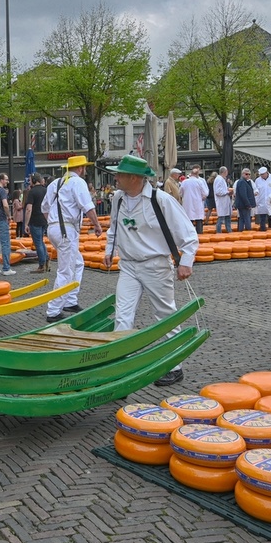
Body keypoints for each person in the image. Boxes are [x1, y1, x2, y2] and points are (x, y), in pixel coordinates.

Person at [101, 155, 198, 387]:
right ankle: (119, 368)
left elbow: (188, 234)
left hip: (155, 265)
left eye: (120, 174)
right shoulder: (118, 199)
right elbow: (114, 226)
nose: (115, 178)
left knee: (165, 314)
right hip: (128, 266)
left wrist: (186, 261)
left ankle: (175, 366)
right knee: (123, 315)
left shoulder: (160, 199)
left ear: (134, 178)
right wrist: (109, 248)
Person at [41, 155, 104, 323]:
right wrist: (97, 225)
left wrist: (53, 223)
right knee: (66, 271)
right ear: (81, 168)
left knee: (77, 263)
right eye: (84, 168)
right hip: (66, 230)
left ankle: (70, 300)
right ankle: (53, 311)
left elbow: (44, 208)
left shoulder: (55, 183)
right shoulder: (78, 183)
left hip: (55, 228)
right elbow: (88, 206)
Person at [22, 174, 50, 273]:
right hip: (44, 219)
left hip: (35, 220)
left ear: (34, 180)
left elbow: (29, 209)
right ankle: (46, 259)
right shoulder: (46, 190)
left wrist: (26, 223)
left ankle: (41, 265)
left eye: (30, 180)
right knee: (41, 241)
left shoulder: (32, 192)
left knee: (38, 243)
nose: (29, 182)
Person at [181, 166, 208, 234]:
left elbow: (180, 193)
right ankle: (199, 235)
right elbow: (206, 193)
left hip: (188, 204)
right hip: (198, 203)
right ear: (197, 174)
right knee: (198, 220)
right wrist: (202, 196)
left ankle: (189, 235)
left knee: (189, 222)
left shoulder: (184, 182)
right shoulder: (199, 182)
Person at [253, 166, 271, 231]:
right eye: (260, 175)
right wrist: (256, 201)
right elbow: (255, 190)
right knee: (262, 218)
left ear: (266, 173)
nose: (262, 176)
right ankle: (263, 230)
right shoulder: (257, 180)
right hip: (262, 201)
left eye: (263, 174)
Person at [212, 166, 233, 233]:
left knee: (227, 217)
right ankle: (219, 232)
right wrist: (227, 192)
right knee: (221, 219)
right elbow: (218, 192)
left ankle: (229, 231)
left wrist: (227, 191)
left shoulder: (222, 179)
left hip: (225, 201)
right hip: (222, 202)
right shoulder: (219, 179)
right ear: (225, 172)